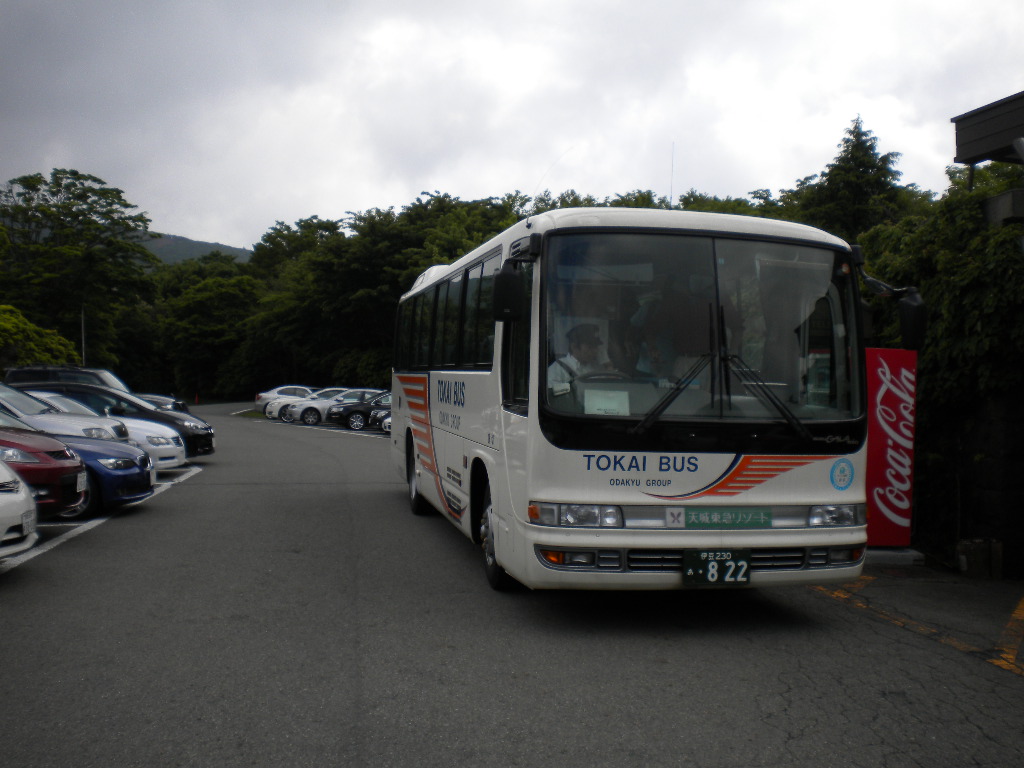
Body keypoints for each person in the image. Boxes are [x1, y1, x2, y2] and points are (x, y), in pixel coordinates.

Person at [547, 323, 610, 394]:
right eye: (590, 347)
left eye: (596, 347)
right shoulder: (556, 370)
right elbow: (554, 399)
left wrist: (608, 365)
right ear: (574, 347)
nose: (595, 351)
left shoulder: (597, 368)